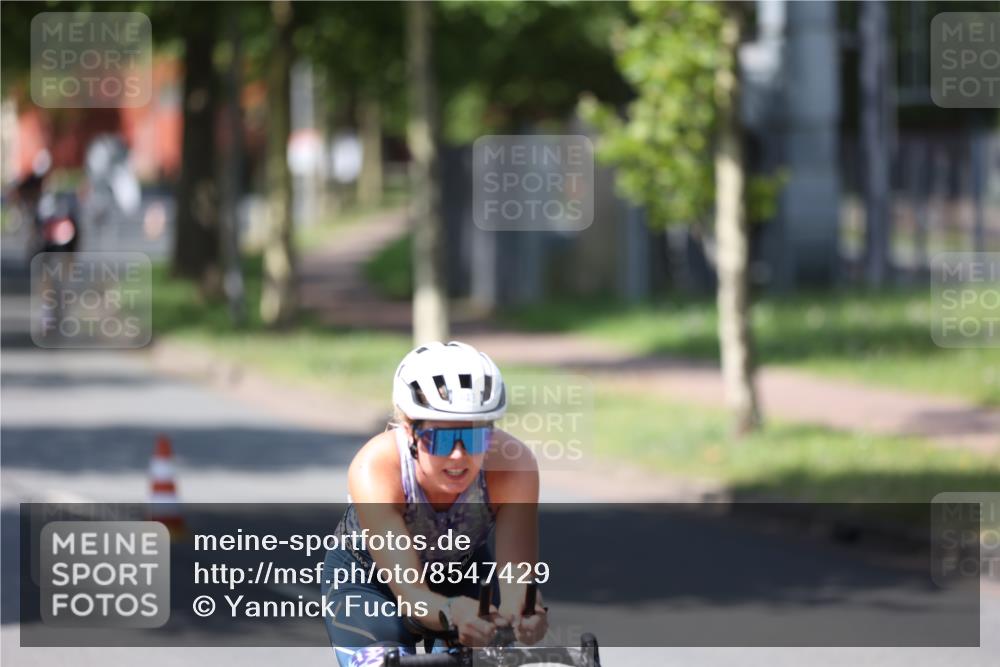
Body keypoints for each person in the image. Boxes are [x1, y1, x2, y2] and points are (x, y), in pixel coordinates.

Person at [321, 341, 548, 667]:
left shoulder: (514, 466)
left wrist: (527, 611)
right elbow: (411, 593)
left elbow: (518, 582)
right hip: (371, 583)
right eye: (440, 438)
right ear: (408, 429)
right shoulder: (376, 466)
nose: (458, 455)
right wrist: (452, 613)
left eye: (474, 437)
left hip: (464, 573)